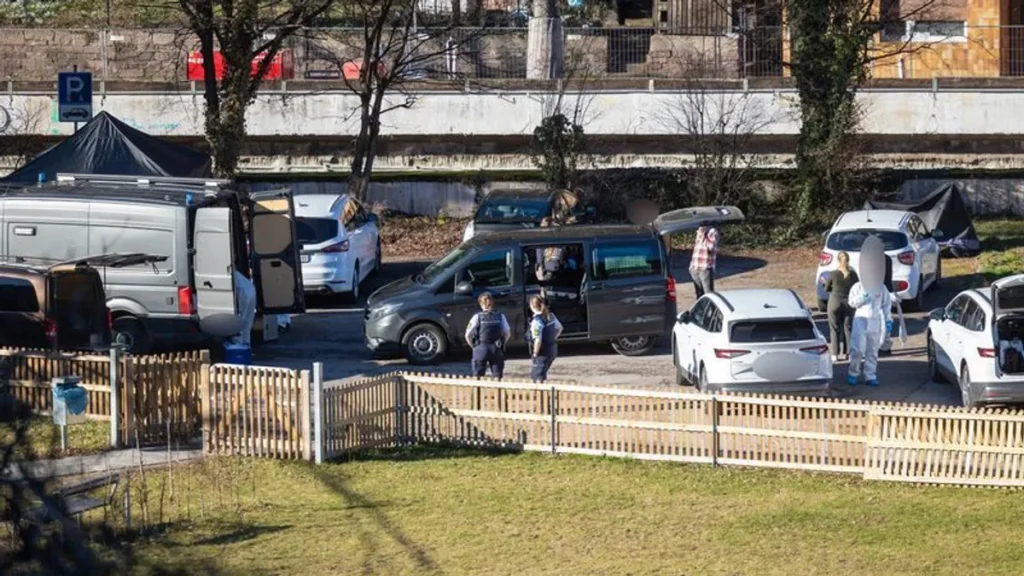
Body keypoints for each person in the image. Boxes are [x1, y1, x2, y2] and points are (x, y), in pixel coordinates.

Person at [846, 236, 893, 387]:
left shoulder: (881, 288)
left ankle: (870, 375)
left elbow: (886, 305)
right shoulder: (857, 287)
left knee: (872, 351)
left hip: (875, 322)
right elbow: (851, 302)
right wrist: (863, 297)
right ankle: (853, 373)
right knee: (858, 350)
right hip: (860, 321)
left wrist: (888, 320)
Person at [464, 292, 511, 379]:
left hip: (481, 348)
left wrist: (473, 346)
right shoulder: (501, 316)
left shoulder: (477, 317)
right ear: (492, 303)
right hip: (496, 348)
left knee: (478, 377)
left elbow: (467, 335)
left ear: (480, 304)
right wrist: (503, 342)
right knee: (497, 377)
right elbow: (507, 332)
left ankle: (478, 387)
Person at [823, 251, 858, 362]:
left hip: (835, 302)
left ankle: (835, 354)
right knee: (848, 328)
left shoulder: (833, 274)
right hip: (849, 303)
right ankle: (849, 353)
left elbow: (826, 289)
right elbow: (857, 288)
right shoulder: (853, 275)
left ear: (838, 260)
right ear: (848, 260)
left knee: (834, 328)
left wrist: (827, 285)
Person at [528, 295, 563, 383]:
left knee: (537, 375)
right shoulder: (551, 316)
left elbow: (538, 339)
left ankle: (539, 390)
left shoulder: (537, 321)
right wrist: (552, 338)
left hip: (542, 352)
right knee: (541, 373)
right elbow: (560, 328)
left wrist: (535, 353)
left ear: (532, 306)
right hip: (552, 349)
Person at [689, 221, 719, 298]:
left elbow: (711, 247)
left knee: (709, 294)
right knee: (699, 294)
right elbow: (696, 249)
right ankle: (701, 306)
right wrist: (691, 266)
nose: (701, 226)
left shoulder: (712, 231)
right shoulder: (699, 232)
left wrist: (703, 235)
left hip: (705, 268)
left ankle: (710, 306)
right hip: (695, 267)